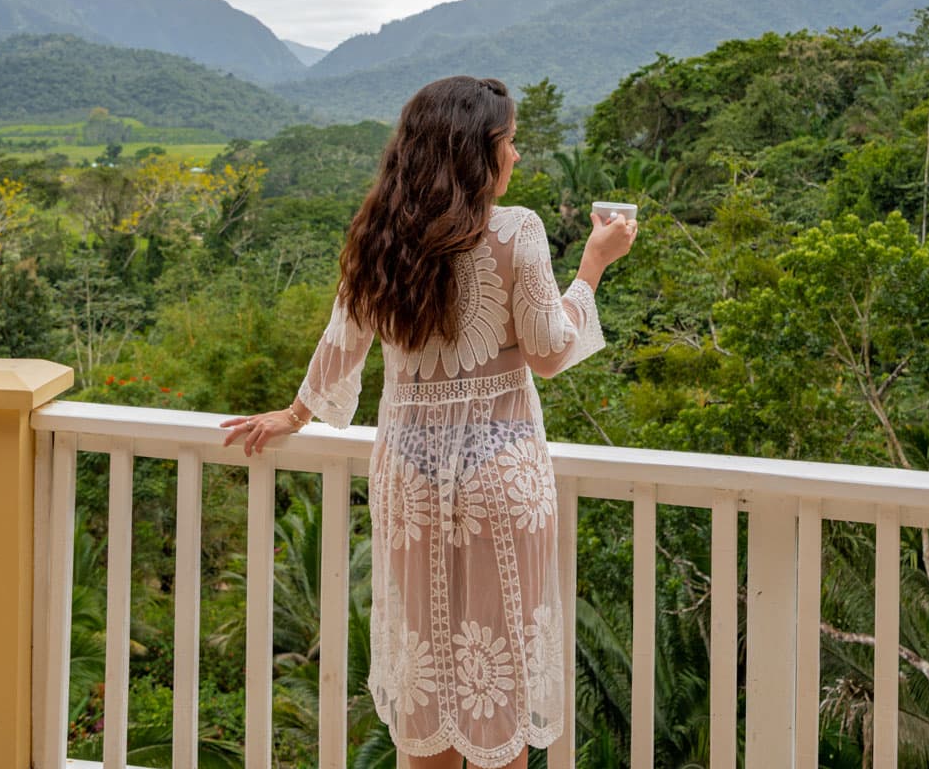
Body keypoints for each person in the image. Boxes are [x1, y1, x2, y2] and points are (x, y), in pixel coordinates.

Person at [222, 75, 636, 769]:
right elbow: (550, 352)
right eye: (508, 143)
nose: (517, 157)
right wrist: (593, 266)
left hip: (408, 482)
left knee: (430, 683)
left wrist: (297, 413)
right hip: (499, 478)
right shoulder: (517, 230)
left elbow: (343, 337)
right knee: (492, 682)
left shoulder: (382, 233)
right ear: (479, 153)